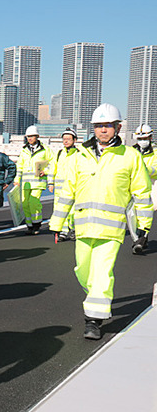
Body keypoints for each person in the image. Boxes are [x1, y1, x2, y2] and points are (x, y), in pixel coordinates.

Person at [49, 103, 153, 340]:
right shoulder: (80, 156)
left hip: (111, 229)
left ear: (117, 127)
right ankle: (97, 296)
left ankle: (93, 320)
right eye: (99, 126)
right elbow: (67, 192)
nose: (103, 130)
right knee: (82, 270)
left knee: (102, 272)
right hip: (83, 227)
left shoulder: (130, 156)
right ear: (93, 128)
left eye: (108, 125)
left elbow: (142, 194)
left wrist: (143, 227)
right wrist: (57, 222)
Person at [15, 125, 55, 235]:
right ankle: (29, 225)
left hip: (38, 182)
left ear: (37, 136)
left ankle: (37, 224)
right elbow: (20, 166)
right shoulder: (24, 150)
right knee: (25, 204)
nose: (30, 138)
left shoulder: (45, 150)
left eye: (32, 136)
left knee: (33, 202)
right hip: (26, 183)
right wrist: (17, 179)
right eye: (28, 136)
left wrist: (46, 171)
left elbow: (53, 163)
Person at [50, 128, 79, 241]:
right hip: (59, 189)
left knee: (73, 211)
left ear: (74, 140)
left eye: (68, 139)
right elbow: (53, 169)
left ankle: (73, 229)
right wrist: (50, 183)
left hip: (73, 188)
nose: (66, 141)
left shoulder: (79, 154)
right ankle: (63, 231)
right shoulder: (59, 154)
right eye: (64, 139)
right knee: (59, 210)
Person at [132, 124, 157, 254]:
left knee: (146, 212)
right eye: (140, 139)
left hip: (151, 185)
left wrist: (144, 170)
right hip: (134, 186)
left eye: (145, 138)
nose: (142, 141)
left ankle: (141, 238)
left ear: (151, 137)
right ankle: (139, 237)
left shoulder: (156, 152)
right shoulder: (131, 151)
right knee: (133, 214)